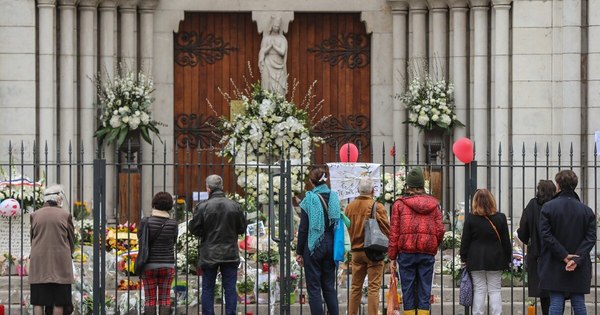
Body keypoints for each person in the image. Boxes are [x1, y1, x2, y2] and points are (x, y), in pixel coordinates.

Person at [387, 167, 444, 315]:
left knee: (408, 290)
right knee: (425, 289)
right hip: (426, 252)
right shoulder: (434, 205)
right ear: (422, 184)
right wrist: (432, 244)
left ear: (408, 185)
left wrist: (392, 257)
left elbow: (394, 233)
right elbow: (440, 230)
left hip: (406, 252)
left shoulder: (399, 205)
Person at [538, 170, 596, 315]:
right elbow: (590, 238)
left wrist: (564, 255)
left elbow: (546, 235)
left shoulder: (548, 207)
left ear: (558, 185)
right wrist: (576, 258)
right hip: (579, 264)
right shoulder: (587, 211)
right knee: (579, 303)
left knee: (556, 302)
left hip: (554, 261)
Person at [189, 174, 247, 315]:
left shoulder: (203, 207)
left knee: (208, 288)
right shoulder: (235, 205)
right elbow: (242, 228)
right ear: (222, 187)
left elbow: (194, 228)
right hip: (230, 252)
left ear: (208, 189)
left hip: (209, 253)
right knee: (230, 288)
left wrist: (205, 232)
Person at [295, 166, 340, 315]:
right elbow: (336, 221)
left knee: (314, 289)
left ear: (311, 181)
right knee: (329, 287)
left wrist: (299, 251)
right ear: (325, 179)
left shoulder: (309, 199)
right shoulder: (333, 196)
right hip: (330, 243)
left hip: (314, 245)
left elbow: (303, 228)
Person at [460, 189, 511, 315]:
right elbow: (505, 241)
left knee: (479, 289)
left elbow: (465, 240)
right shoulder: (501, 217)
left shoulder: (471, 219)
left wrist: (463, 257)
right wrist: (508, 258)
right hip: (496, 258)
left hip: (476, 259)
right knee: (495, 290)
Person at [345, 176, 390, 315]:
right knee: (373, 288)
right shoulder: (377, 206)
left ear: (359, 190)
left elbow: (346, 227)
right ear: (372, 190)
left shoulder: (349, 206)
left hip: (356, 251)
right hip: (373, 251)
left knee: (355, 287)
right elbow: (387, 229)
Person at [29, 184, 75, 315]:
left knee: (38, 301)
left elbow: (31, 238)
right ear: (59, 199)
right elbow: (71, 239)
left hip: (39, 263)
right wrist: (70, 251)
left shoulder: (34, 215)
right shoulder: (65, 215)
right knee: (59, 302)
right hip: (60, 263)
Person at [517, 180, 556, 315]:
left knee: (543, 292)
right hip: (557, 254)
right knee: (556, 291)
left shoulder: (532, 205)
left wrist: (528, 239)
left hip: (537, 253)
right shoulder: (557, 205)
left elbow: (522, 232)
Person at [139, 192, 178, 315]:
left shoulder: (145, 222)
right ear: (170, 206)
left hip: (149, 264)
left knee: (150, 299)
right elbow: (174, 241)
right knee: (165, 298)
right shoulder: (173, 224)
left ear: (154, 204)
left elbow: (140, 239)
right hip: (167, 265)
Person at [258, 15, 288, 96]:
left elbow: (282, 52)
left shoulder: (282, 39)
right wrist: (269, 47)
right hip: (268, 63)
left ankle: (279, 104)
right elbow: (262, 51)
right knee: (267, 85)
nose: (276, 27)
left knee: (278, 88)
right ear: (272, 26)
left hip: (279, 64)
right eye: (275, 26)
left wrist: (274, 46)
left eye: (277, 26)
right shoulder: (266, 38)